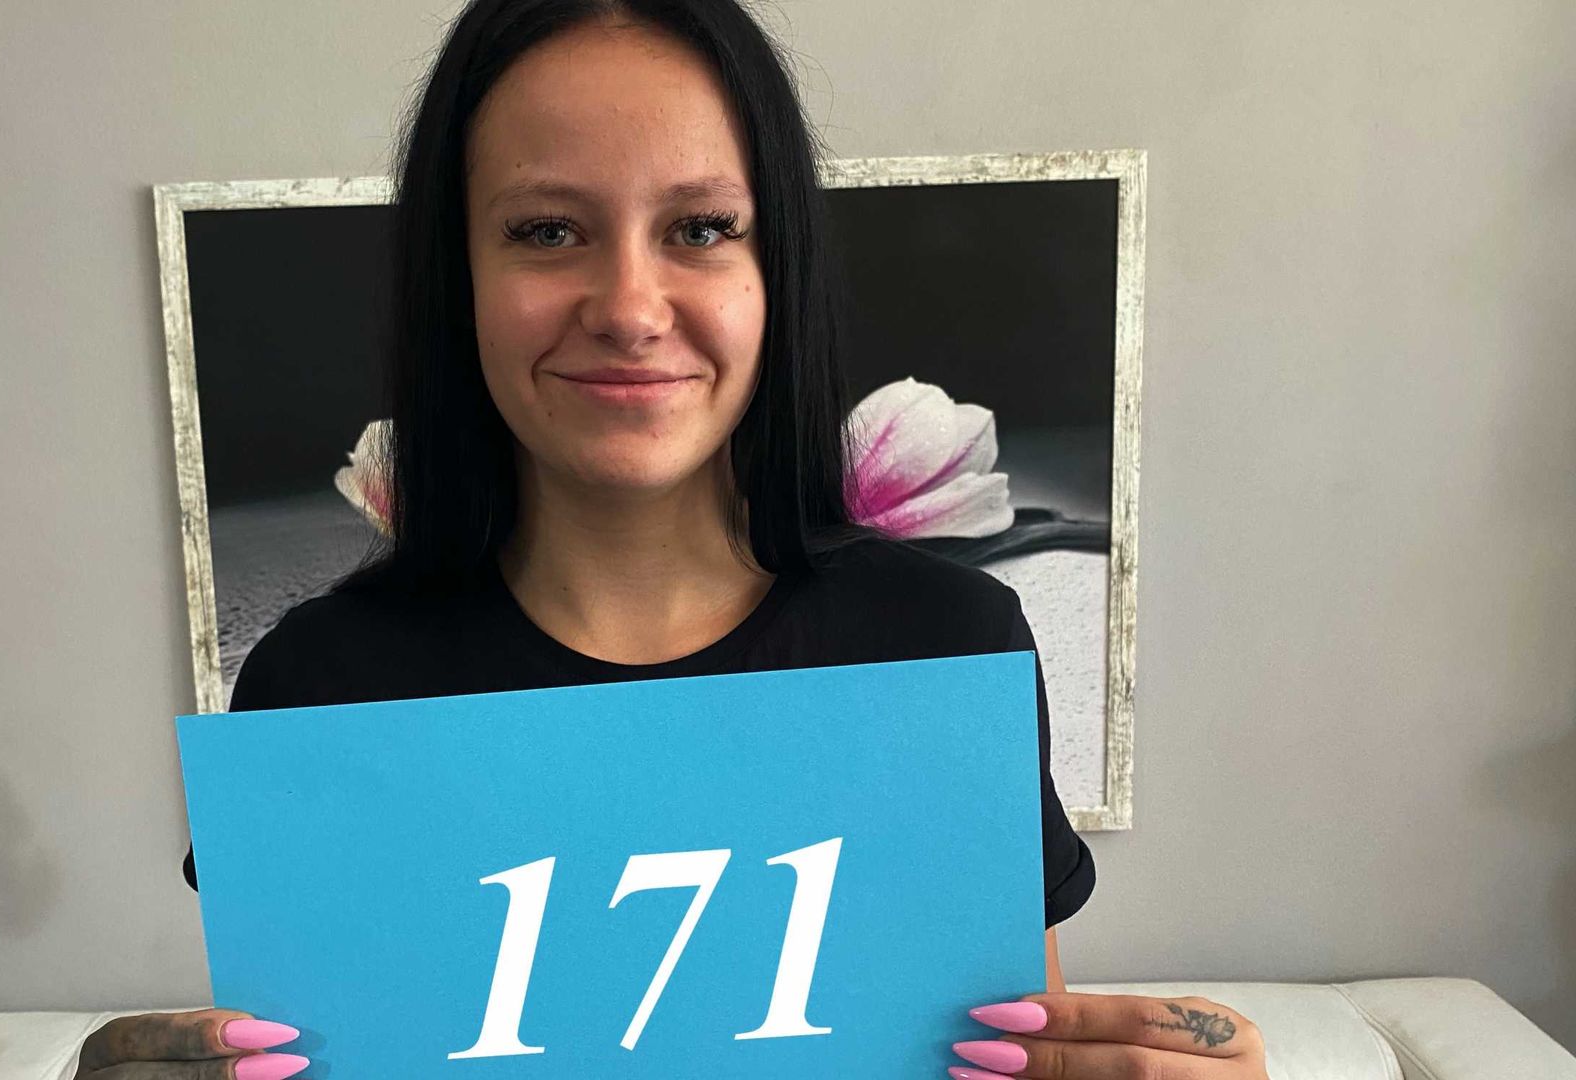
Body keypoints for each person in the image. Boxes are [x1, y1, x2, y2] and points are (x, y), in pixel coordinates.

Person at [78, 1, 1268, 1077]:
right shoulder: (316, 688)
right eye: (547, 230)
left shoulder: (946, 644)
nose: (630, 309)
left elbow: (1010, 1051)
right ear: (457, 276)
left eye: (699, 227)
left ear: (774, 268)